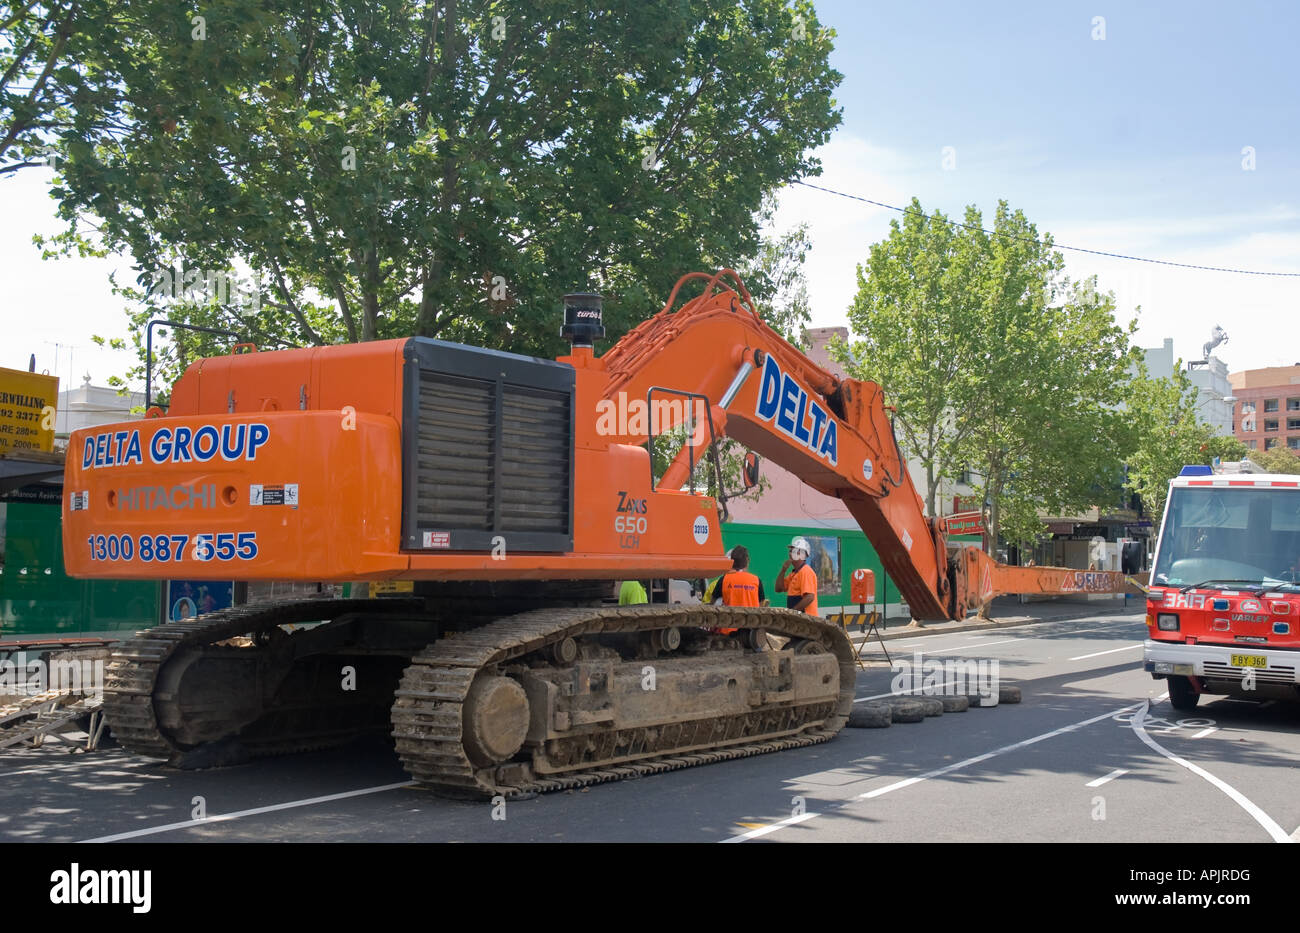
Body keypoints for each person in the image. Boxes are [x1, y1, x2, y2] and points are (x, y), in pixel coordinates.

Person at [775, 536, 819, 615]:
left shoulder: (806, 572)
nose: (789, 553)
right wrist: (783, 570)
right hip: (799, 618)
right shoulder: (794, 574)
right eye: (790, 551)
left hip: (806, 619)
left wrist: (793, 612)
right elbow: (778, 589)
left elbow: (809, 597)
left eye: (792, 551)